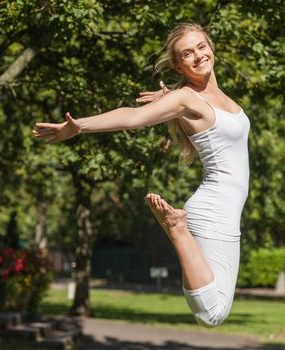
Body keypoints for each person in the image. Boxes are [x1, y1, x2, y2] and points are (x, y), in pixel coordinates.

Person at [33, 22, 250, 327]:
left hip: (226, 210)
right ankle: (176, 229)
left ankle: (178, 229)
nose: (198, 55)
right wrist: (79, 125)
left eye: (201, 46)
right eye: (187, 54)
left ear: (211, 46)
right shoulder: (187, 98)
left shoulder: (212, 97)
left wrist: (167, 96)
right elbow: (132, 117)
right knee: (211, 314)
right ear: (178, 65)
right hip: (213, 209)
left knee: (218, 310)